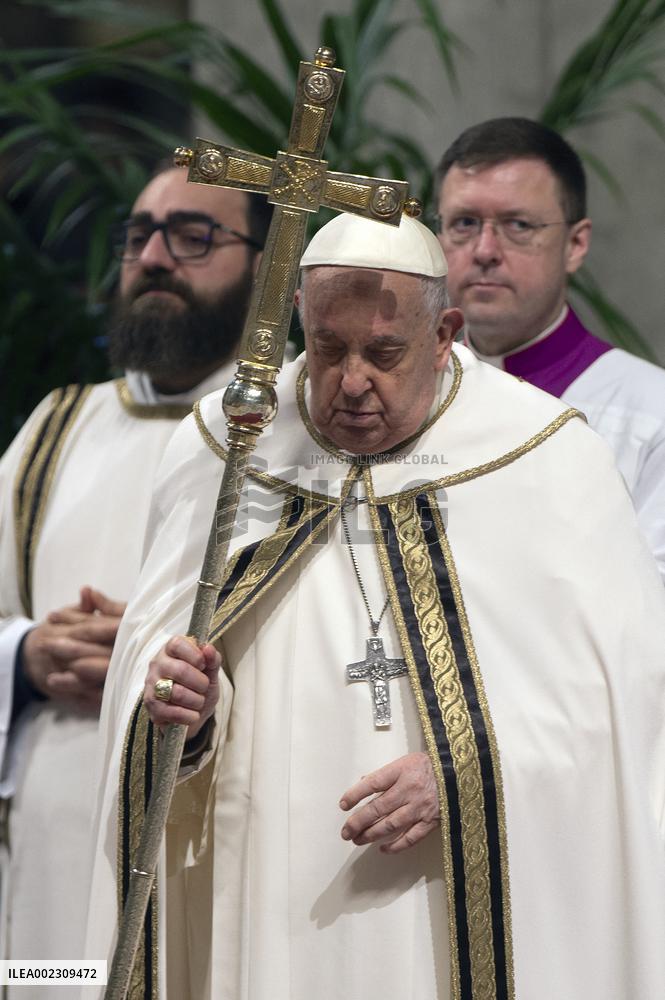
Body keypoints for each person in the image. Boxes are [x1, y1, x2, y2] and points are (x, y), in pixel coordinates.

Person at [86, 211, 665, 1000]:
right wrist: (188, 711)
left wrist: (471, 766)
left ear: (444, 333)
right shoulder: (226, 448)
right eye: (327, 347)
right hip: (265, 880)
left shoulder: (547, 456)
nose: (352, 380)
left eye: (385, 353)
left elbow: (626, 700)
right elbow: (155, 674)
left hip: (462, 894)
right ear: (297, 317)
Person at [0, 164, 271, 980]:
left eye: (193, 236)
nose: (154, 256)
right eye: (139, 235)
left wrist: (159, 663)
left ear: (269, 269)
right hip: (54, 839)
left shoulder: (302, 437)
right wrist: (26, 655)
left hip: (224, 834)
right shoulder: (55, 429)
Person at [436, 116, 665, 580]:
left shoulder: (651, 412)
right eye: (464, 223)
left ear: (575, 244)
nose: (484, 249)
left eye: (517, 224)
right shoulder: (401, 401)